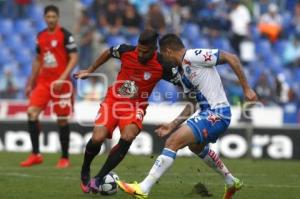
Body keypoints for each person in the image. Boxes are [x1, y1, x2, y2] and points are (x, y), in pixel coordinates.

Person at [117, 33, 257, 199]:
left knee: (172, 142)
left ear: (168, 51)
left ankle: (143, 188)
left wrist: (246, 88)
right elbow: (192, 104)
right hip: (208, 113)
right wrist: (172, 124)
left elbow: (231, 57)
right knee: (195, 147)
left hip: (217, 113)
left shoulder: (193, 56)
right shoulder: (183, 73)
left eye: (162, 54)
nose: (163, 59)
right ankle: (231, 181)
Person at [74, 29, 180, 193]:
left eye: (145, 52)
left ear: (154, 49)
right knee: (98, 137)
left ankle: (99, 177)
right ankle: (85, 169)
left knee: (128, 135)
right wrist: (90, 70)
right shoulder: (126, 50)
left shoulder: (163, 64)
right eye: (139, 49)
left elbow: (181, 81)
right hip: (114, 101)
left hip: (136, 106)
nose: (140, 54)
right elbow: (108, 52)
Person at [20, 5, 78, 168]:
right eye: (48, 17)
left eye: (54, 17)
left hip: (61, 84)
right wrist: (31, 82)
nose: (51, 19)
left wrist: (62, 77)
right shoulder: (41, 36)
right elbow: (38, 59)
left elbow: (74, 58)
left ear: (57, 18)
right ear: (44, 18)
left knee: (61, 119)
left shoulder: (65, 35)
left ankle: (65, 157)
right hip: (44, 82)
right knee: (31, 112)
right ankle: (36, 154)